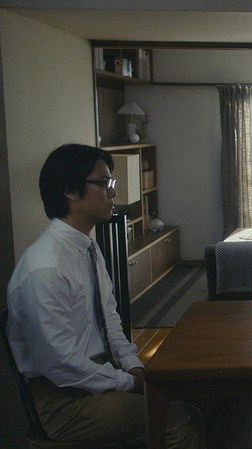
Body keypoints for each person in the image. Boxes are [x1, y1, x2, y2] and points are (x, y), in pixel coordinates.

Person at [6, 144, 205, 448]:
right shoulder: (45, 269)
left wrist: (132, 365)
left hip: (98, 375)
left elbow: (110, 319)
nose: (113, 192)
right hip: (66, 401)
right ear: (71, 191)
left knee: (194, 396)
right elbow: (60, 365)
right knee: (180, 418)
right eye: (104, 183)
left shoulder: (87, 247)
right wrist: (129, 382)